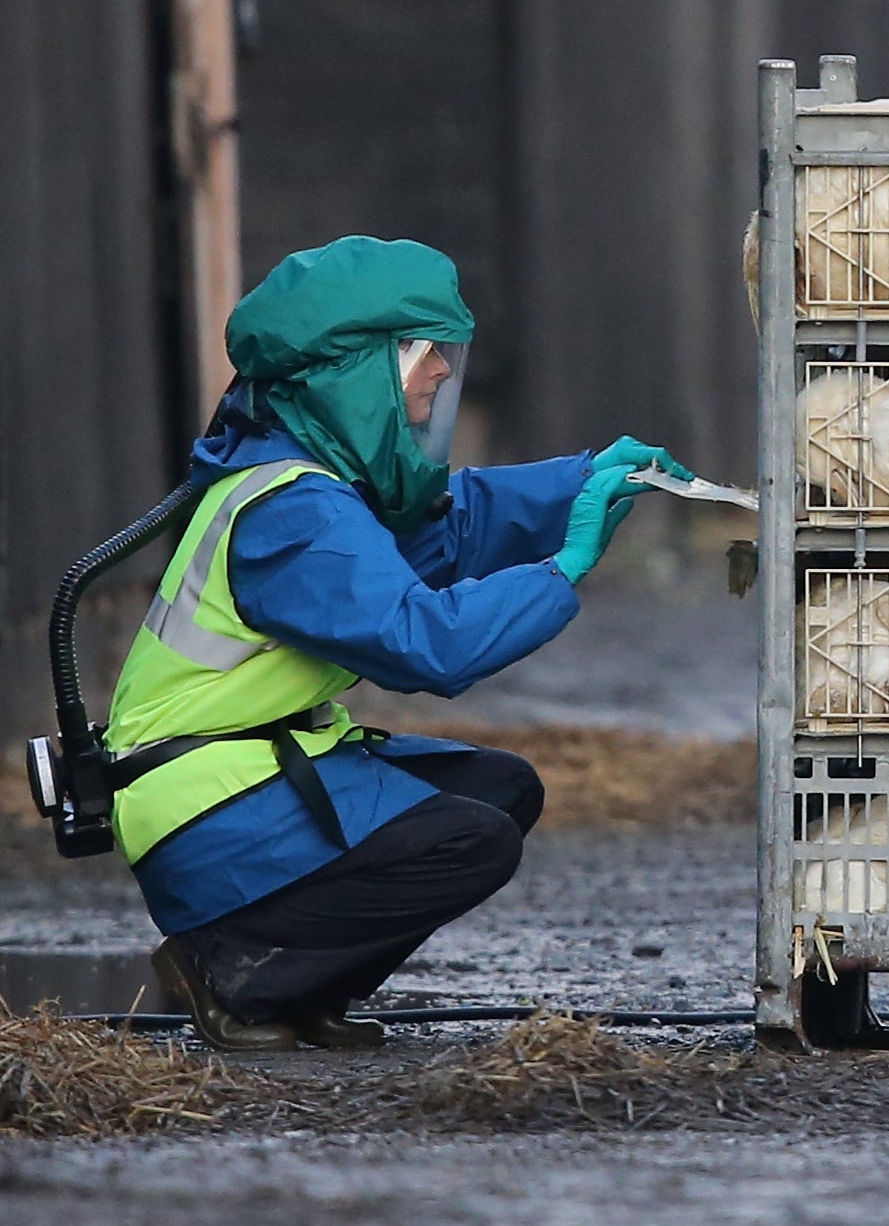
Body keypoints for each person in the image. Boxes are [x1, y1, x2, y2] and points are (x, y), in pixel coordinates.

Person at [101, 234, 692, 1050]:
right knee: (469, 838)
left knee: (497, 789)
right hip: (207, 807)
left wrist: (582, 482)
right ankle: (235, 968)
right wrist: (561, 571)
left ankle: (303, 987)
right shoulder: (293, 512)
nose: (444, 373)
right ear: (359, 369)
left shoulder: (313, 481)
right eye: (424, 353)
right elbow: (427, 646)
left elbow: (442, 532)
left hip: (247, 775)